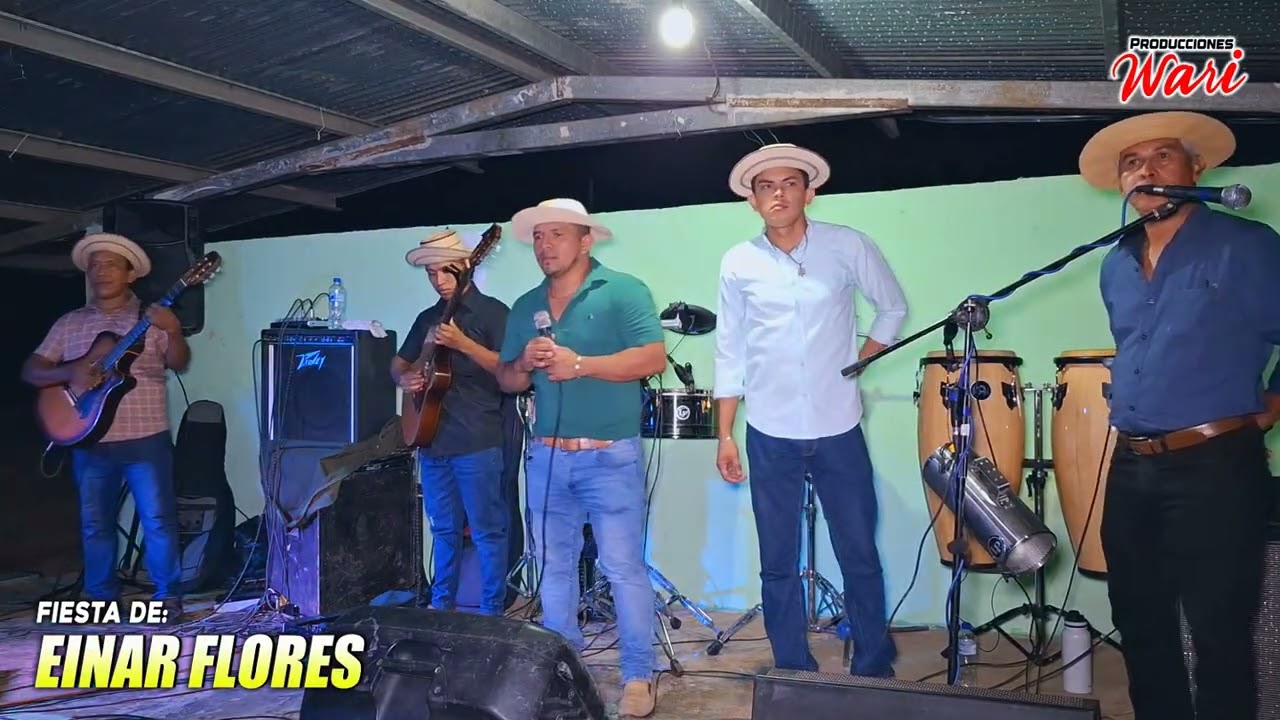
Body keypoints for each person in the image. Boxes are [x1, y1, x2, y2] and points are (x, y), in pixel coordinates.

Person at [1081, 111, 1280, 720]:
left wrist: (1271, 405)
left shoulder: (1245, 244)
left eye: (1162, 156)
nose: (1146, 170)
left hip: (1215, 464)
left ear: (1197, 168)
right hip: (1132, 464)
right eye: (1132, 163)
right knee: (1139, 623)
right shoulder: (1114, 262)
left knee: (1219, 632)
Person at [713, 143, 907, 677]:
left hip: (838, 425)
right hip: (769, 430)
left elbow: (892, 307)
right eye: (766, 187)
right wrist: (724, 434)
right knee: (777, 561)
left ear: (809, 192)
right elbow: (729, 350)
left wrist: (860, 361)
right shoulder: (738, 262)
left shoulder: (847, 245)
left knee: (858, 552)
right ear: (753, 201)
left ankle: (872, 664)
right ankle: (793, 668)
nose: (778, 194)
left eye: (789, 183)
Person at [494, 198, 666, 718]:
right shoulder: (526, 305)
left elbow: (653, 357)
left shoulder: (623, 290)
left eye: (557, 235)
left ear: (586, 240)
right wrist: (523, 363)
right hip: (547, 457)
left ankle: (638, 674)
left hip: (610, 456)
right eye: (538, 236)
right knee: (553, 568)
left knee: (622, 568)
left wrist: (580, 364)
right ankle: (563, 672)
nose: (544, 245)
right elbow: (507, 380)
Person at [22, 233, 187, 623]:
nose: (101, 271)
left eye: (111, 264)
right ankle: (101, 601)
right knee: (95, 525)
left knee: (158, 521)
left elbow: (179, 363)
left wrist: (174, 331)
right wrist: (71, 371)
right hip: (89, 440)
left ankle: (167, 598)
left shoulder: (150, 319)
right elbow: (32, 370)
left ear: (131, 274)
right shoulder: (70, 323)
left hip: (146, 438)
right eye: (95, 265)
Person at [392, 229, 511, 616]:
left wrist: (464, 344)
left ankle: (491, 612)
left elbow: (510, 370)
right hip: (431, 440)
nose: (439, 281)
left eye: (446, 271)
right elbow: (399, 363)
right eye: (431, 274)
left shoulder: (493, 313)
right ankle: (440, 606)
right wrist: (405, 378)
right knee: (443, 530)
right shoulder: (427, 318)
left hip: (476, 440)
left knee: (487, 530)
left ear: (466, 267)